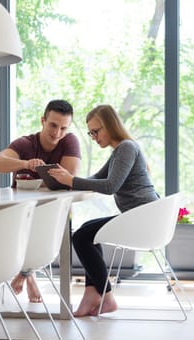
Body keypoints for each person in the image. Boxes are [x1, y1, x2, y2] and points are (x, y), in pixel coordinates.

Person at [48, 104, 159, 316]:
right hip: (139, 215)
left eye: (96, 131)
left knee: (82, 236)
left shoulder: (126, 148)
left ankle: (105, 297)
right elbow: (96, 179)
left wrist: (71, 180)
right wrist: (67, 180)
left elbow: (110, 186)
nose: (94, 137)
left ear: (109, 125)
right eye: (91, 133)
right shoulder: (120, 150)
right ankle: (93, 292)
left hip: (143, 217)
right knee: (87, 232)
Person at [0, 99, 81, 303]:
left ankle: (26, 272)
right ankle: (28, 273)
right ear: (43, 120)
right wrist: (25, 163)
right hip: (21, 211)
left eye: (63, 128)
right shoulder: (25, 144)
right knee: (22, 224)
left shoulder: (70, 141)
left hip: (51, 210)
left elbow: (70, 177)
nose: (57, 133)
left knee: (49, 223)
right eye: (53, 125)